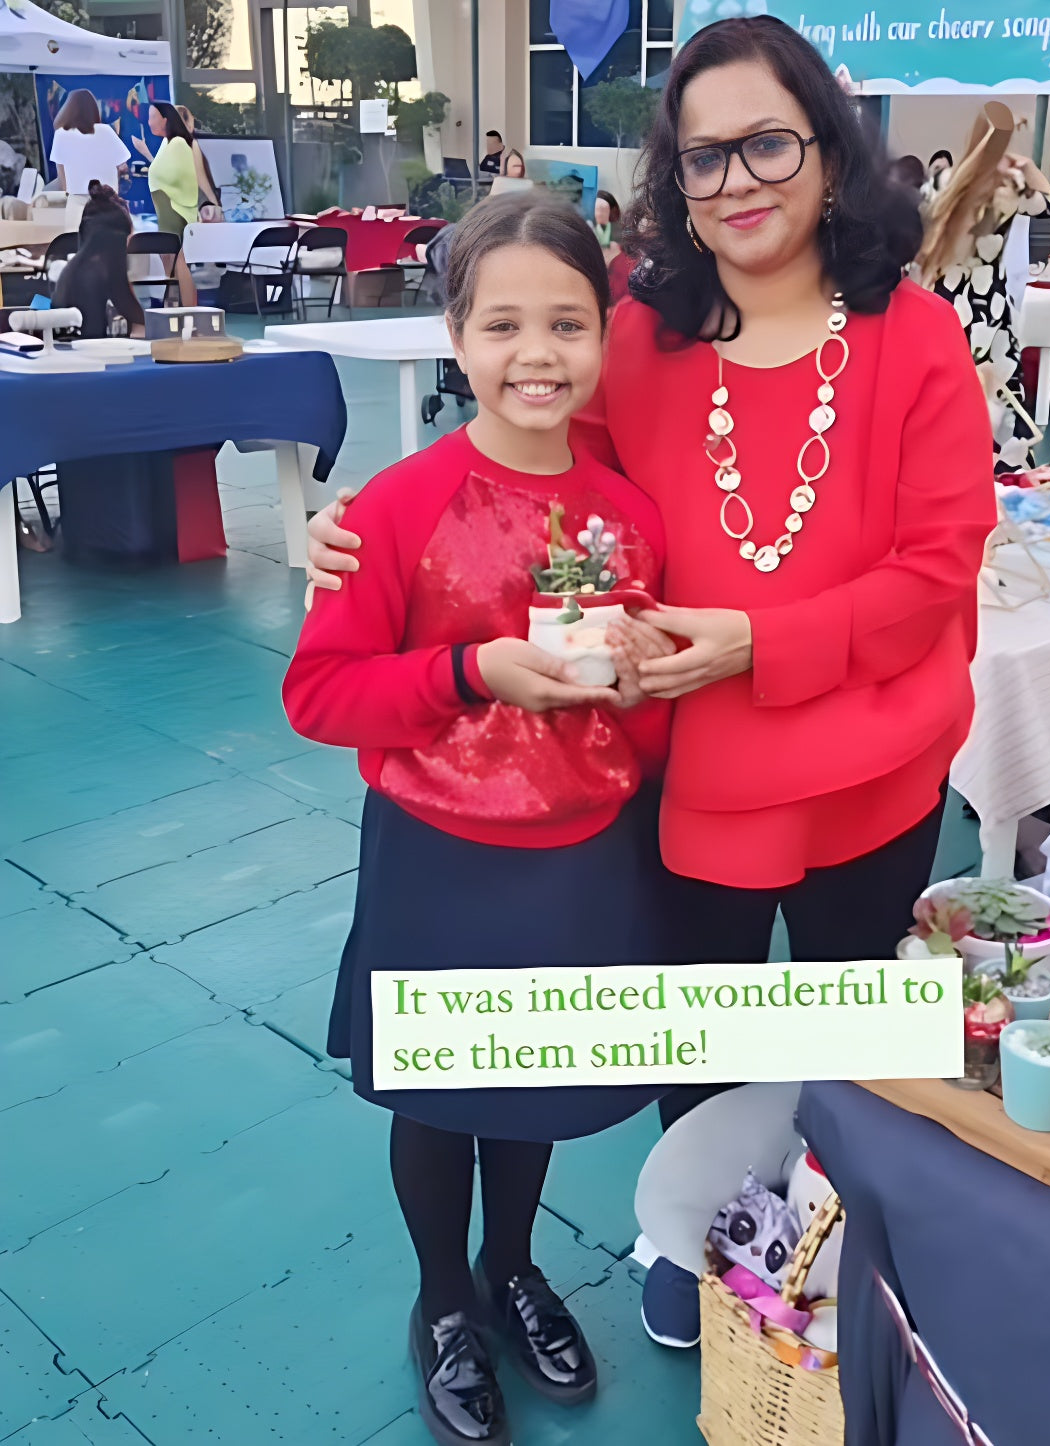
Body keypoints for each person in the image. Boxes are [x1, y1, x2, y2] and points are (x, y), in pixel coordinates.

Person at [305, 14, 995, 1348]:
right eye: (701, 158)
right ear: (672, 183)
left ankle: (835, 1242)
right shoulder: (643, 338)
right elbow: (533, 473)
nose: (736, 180)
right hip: (684, 785)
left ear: (834, 155)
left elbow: (939, 563)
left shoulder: (911, 337)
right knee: (701, 1035)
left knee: (848, 1031)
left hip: (872, 769)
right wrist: (369, 529)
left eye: (767, 145)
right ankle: (699, 1237)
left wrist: (762, 643)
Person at [282, 193, 691, 1446]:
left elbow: (648, 718)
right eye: (503, 322)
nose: (536, 353)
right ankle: (445, 1299)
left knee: (538, 1087)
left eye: (567, 323)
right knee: (443, 1096)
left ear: (606, 334)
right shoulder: (394, 512)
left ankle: (513, 1268)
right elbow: (319, 694)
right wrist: (469, 672)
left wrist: (637, 688)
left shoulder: (631, 518)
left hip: (580, 854)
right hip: (440, 855)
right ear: (455, 336)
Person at [916, 102, 1050, 474]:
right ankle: (1002, 468)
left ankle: (940, 466)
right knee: (999, 388)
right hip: (990, 304)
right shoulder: (1010, 185)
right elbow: (1048, 204)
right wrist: (1025, 166)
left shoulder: (943, 183)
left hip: (944, 298)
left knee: (942, 390)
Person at [53, 181, 144, 339]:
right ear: (116, 240)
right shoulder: (97, 271)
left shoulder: (76, 269)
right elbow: (127, 305)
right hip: (87, 354)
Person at [142, 102, 199, 306]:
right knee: (170, 263)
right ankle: (174, 305)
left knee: (178, 263)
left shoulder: (178, 145)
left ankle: (187, 309)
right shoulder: (168, 144)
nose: (150, 122)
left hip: (176, 211)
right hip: (167, 211)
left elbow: (180, 177)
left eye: (154, 117)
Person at [49, 89, 129, 232]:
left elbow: (62, 178)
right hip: (107, 200)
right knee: (108, 246)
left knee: (75, 246)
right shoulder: (106, 131)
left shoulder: (61, 135)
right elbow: (123, 166)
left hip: (76, 200)